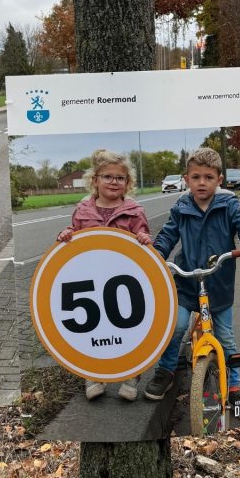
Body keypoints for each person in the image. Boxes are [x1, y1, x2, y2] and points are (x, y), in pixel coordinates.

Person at [147, 147, 240, 421]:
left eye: (208, 177)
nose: (202, 182)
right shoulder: (181, 208)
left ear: (219, 180)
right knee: (175, 327)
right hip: (187, 283)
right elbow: (167, 235)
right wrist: (156, 254)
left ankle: (234, 386)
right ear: (186, 179)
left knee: (226, 337)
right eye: (196, 177)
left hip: (218, 285)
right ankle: (166, 371)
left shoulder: (229, 205)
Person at [57, 149, 152, 402]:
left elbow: (145, 245)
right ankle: (93, 374)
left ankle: (132, 374)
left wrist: (144, 239)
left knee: (132, 327)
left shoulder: (134, 211)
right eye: (107, 176)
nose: (113, 182)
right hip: (92, 282)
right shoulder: (82, 211)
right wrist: (67, 236)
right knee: (92, 327)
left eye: (120, 178)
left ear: (128, 183)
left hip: (125, 282)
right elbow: (74, 240)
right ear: (95, 180)